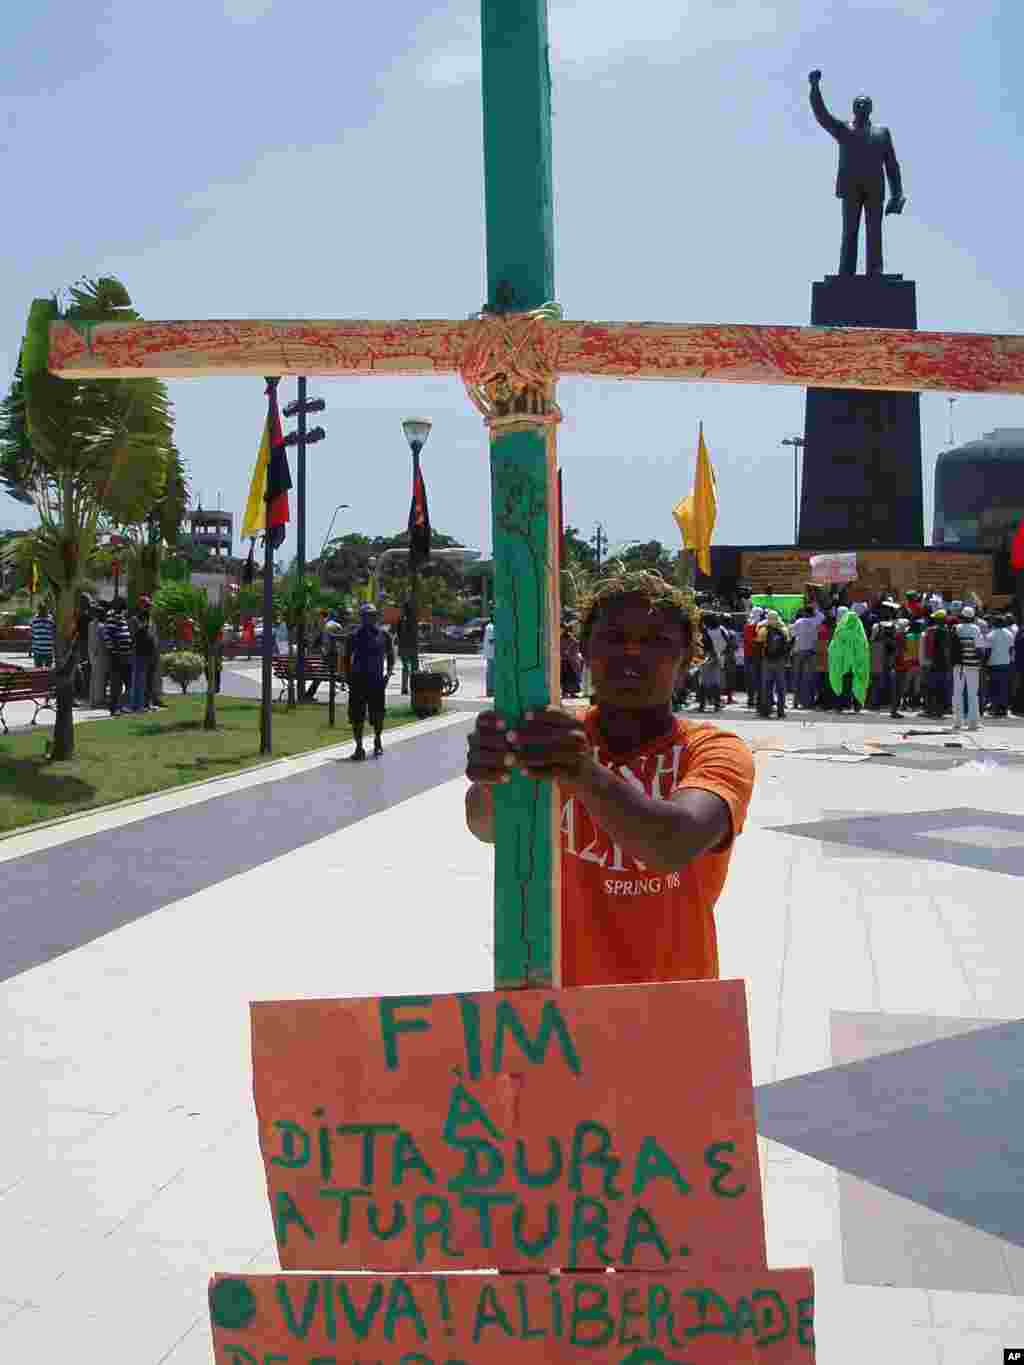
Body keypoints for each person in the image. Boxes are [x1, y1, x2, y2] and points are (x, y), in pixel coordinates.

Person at [464, 570, 755, 987]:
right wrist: (491, 776)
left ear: (687, 658)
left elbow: (673, 842)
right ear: (583, 650)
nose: (632, 653)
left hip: (675, 1005)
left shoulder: (715, 750)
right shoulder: (553, 737)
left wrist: (581, 771)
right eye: (614, 638)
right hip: (559, 1006)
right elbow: (484, 826)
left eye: (656, 641)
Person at [344, 602, 395, 760]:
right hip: (358, 681)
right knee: (356, 717)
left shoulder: (384, 635)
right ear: (361, 618)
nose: (368, 619)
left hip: (376, 682)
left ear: (376, 617)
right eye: (365, 616)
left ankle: (378, 741)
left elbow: (391, 656)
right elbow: (346, 658)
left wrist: (388, 674)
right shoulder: (353, 636)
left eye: (372, 616)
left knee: (378, 714)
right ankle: (359, 747)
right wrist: (347, 676)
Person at [951, 604, 986, 733]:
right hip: (971, 665)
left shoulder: (957, 628)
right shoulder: (975, 629)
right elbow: (979, 648)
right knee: (972, 694)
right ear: (972, 617)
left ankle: (957, 722)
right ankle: (973, 723)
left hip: (958, 665)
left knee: (957, 693)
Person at [827, 605, 869, 712]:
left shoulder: (840, 631)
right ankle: (857, 706)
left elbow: (833, 648)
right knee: (857, 684)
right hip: (856, 666)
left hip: (841, 666)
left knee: (841, 685)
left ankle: (839, 706)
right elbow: (864, 650)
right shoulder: (860, 633)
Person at [757, 610, 791, 718]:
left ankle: (766, 710)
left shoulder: (763, 630)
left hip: (767, 661)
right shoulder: (784, 629)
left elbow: (759, 641)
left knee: (767, 686)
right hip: (780, 661)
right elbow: (788, 643)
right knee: (781, 687)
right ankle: (781, 711)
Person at [103, 599, 135, 716]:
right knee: (116, 684)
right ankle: (114, 708)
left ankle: (122, 705)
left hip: (126, 656)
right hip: (117, 656)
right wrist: (114, 651)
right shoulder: (112, 620)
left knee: (129, 683)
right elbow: (107, 637)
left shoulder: (123, 620)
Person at [129, 596, 159, 712]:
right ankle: (137, 705)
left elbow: (154, 636)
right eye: (146, 606)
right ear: (140, 606)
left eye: (149, 606)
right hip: (139, 653)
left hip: (151, 653)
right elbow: (133, 635)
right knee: (139, 680)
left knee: (149, 680)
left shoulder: (151, 619)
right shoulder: (135, 619)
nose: (148, 608)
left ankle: (147, 703)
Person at [790, 606, 821, 709]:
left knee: (797, 677)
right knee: (808, 678)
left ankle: (795, 702)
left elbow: (792, 634)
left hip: (798, 651)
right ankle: (808, 702)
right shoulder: (815, 622)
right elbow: (822, 616)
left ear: (804, 612)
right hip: (810, 652)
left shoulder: (799, 622)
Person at [985, 615, 1014, 718]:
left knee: (994, 686)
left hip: (994, 664)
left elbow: (988, 651)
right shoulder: (1009, 634)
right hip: (1006, 663)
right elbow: (1011, 649)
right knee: (1004, 686)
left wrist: (985, 663)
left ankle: (996, 708)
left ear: (994, 623)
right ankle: (1003, 708)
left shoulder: (991, 635)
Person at [88, 604, 110, 708]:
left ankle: (93, 700)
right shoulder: (102, 626)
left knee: (94, 678)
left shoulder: (91, 624)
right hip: (100, 654)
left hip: (92, 653)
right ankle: (98, 700)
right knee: (100, 679)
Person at [398, 602, 418, 696]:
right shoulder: (413, 620)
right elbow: (414, 634)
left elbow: (398, 634)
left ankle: (404, 688)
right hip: (412, 647)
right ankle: (414, 687)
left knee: (405, 667)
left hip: (403, 647)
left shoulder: (401, 620)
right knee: (414, 667)